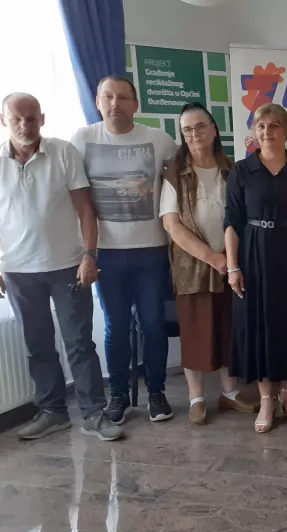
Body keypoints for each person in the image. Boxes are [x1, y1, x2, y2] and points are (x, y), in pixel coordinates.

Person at [0, 93, 122, 441]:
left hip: (68, 266)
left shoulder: (63, 152)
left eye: (32, 118)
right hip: (18, 271)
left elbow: (86, 209)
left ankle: (93, 413)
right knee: (38, 345)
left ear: (42, 118)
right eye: (17, 118)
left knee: (79, 343)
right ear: (3, 120)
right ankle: (52, 411)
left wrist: (90, 255)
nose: (26, 125)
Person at [70, 75, 178, 424]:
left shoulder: (159, 140)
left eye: (123, 97)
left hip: (151, 250)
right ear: (98, 102)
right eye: (108, 97)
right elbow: (73, 196)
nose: (115, 104)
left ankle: (157, 392)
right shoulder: (82, 140)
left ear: (136, 104)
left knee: (153, 324)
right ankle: (117, 395)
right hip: (107, 253)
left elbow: (180, 184)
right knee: (116, 327)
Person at [160, 102, 257, 426]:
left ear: (214, 129)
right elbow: (172, 225)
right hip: (193, 267)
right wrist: (213, 258)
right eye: (187, 129)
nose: (195, 134)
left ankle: (230, 393)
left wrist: (228, 259)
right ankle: (196, 397)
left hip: (233, 262)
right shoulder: (173, 174)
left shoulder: (233, 169)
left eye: (200, 126)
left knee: (229, 328)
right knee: (195, 331)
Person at [225, 103, 287, 433]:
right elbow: (232, 222)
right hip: (253, 254)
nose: (267, 132)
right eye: (261, 126)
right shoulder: (242, 171)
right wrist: (232, 267)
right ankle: (267, 399)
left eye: (274, 125)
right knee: (257, 325)